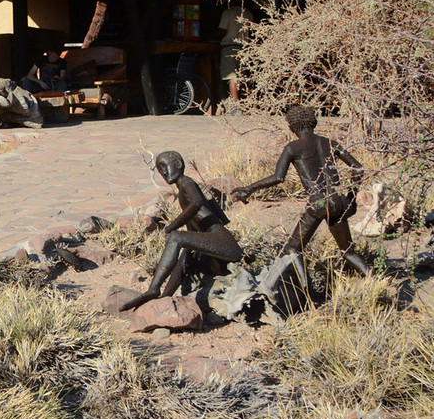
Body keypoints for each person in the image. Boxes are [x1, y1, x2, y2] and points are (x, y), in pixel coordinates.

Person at [230, 104, 371, 275]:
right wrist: (351, 196)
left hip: (318, 203)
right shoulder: (330, 143)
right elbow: (358, 168)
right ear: (314, 123)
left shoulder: (293, 148)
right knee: (348, 252)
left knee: (292, 250)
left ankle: (305, 294)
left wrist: (249, 188)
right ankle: (376, 282)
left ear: (291, 127)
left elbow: (278, 177)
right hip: (338, 200)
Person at [119, 151, 243, 312]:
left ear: (178, 164)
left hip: (224, 242)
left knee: (177, 237)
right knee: (185, 253)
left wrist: (171, 227)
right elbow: (188, 242)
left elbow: (197, 202)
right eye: (159, 169)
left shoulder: (187, 183)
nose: (163, 172)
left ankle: (153, 288)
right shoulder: (183, 194)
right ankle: (161, 294)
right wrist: (165, 297)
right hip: (215, 254)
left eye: (164, 167)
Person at [216, 2, 254, 104]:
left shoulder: (228, 13)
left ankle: (235, 104)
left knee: (232, 77)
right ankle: (245, 102)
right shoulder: (248, 13)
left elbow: (222, 31)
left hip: (230, 47)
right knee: (242, 76)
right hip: (244, 48)